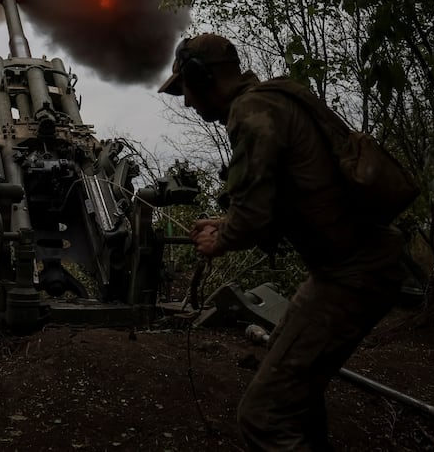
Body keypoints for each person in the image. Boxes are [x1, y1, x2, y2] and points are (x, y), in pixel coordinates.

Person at [158, 34, 405, 451]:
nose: (187, 103)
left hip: (352, 273)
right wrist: (225, 221)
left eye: (187, 89)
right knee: (296, 398)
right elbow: (278, 201)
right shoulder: (272, 100)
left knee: (263, 418)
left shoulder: (250, 112)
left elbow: (252, 218)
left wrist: (220, 241)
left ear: (202, 77)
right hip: (348, 267)